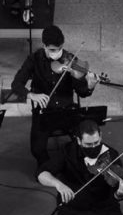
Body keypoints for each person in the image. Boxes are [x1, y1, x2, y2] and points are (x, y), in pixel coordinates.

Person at [11, 25, 100, 168]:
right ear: (44, 46)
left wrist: (90, 86)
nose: (57, 53)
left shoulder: (71, 60)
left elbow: (82, 93)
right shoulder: (34, 60)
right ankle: (50, 168)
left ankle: (74, 165)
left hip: (68, 111)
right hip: (45, 112)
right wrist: (31, 95)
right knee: (37, 149)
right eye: (52, 50)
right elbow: (16, 84)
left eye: (60, 49)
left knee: (84, 141)